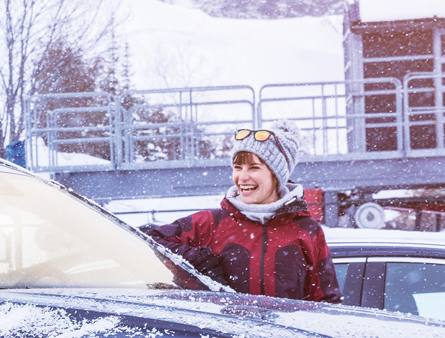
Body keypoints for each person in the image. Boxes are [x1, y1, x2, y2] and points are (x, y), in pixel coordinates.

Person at [143, 125, 342, 303]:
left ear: (276, 176)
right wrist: (198, 261)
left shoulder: (307, 230)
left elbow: (326, 303)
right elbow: (144, 239)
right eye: (238, 167)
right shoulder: (210, 223)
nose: (242, 177)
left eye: (254, 168)